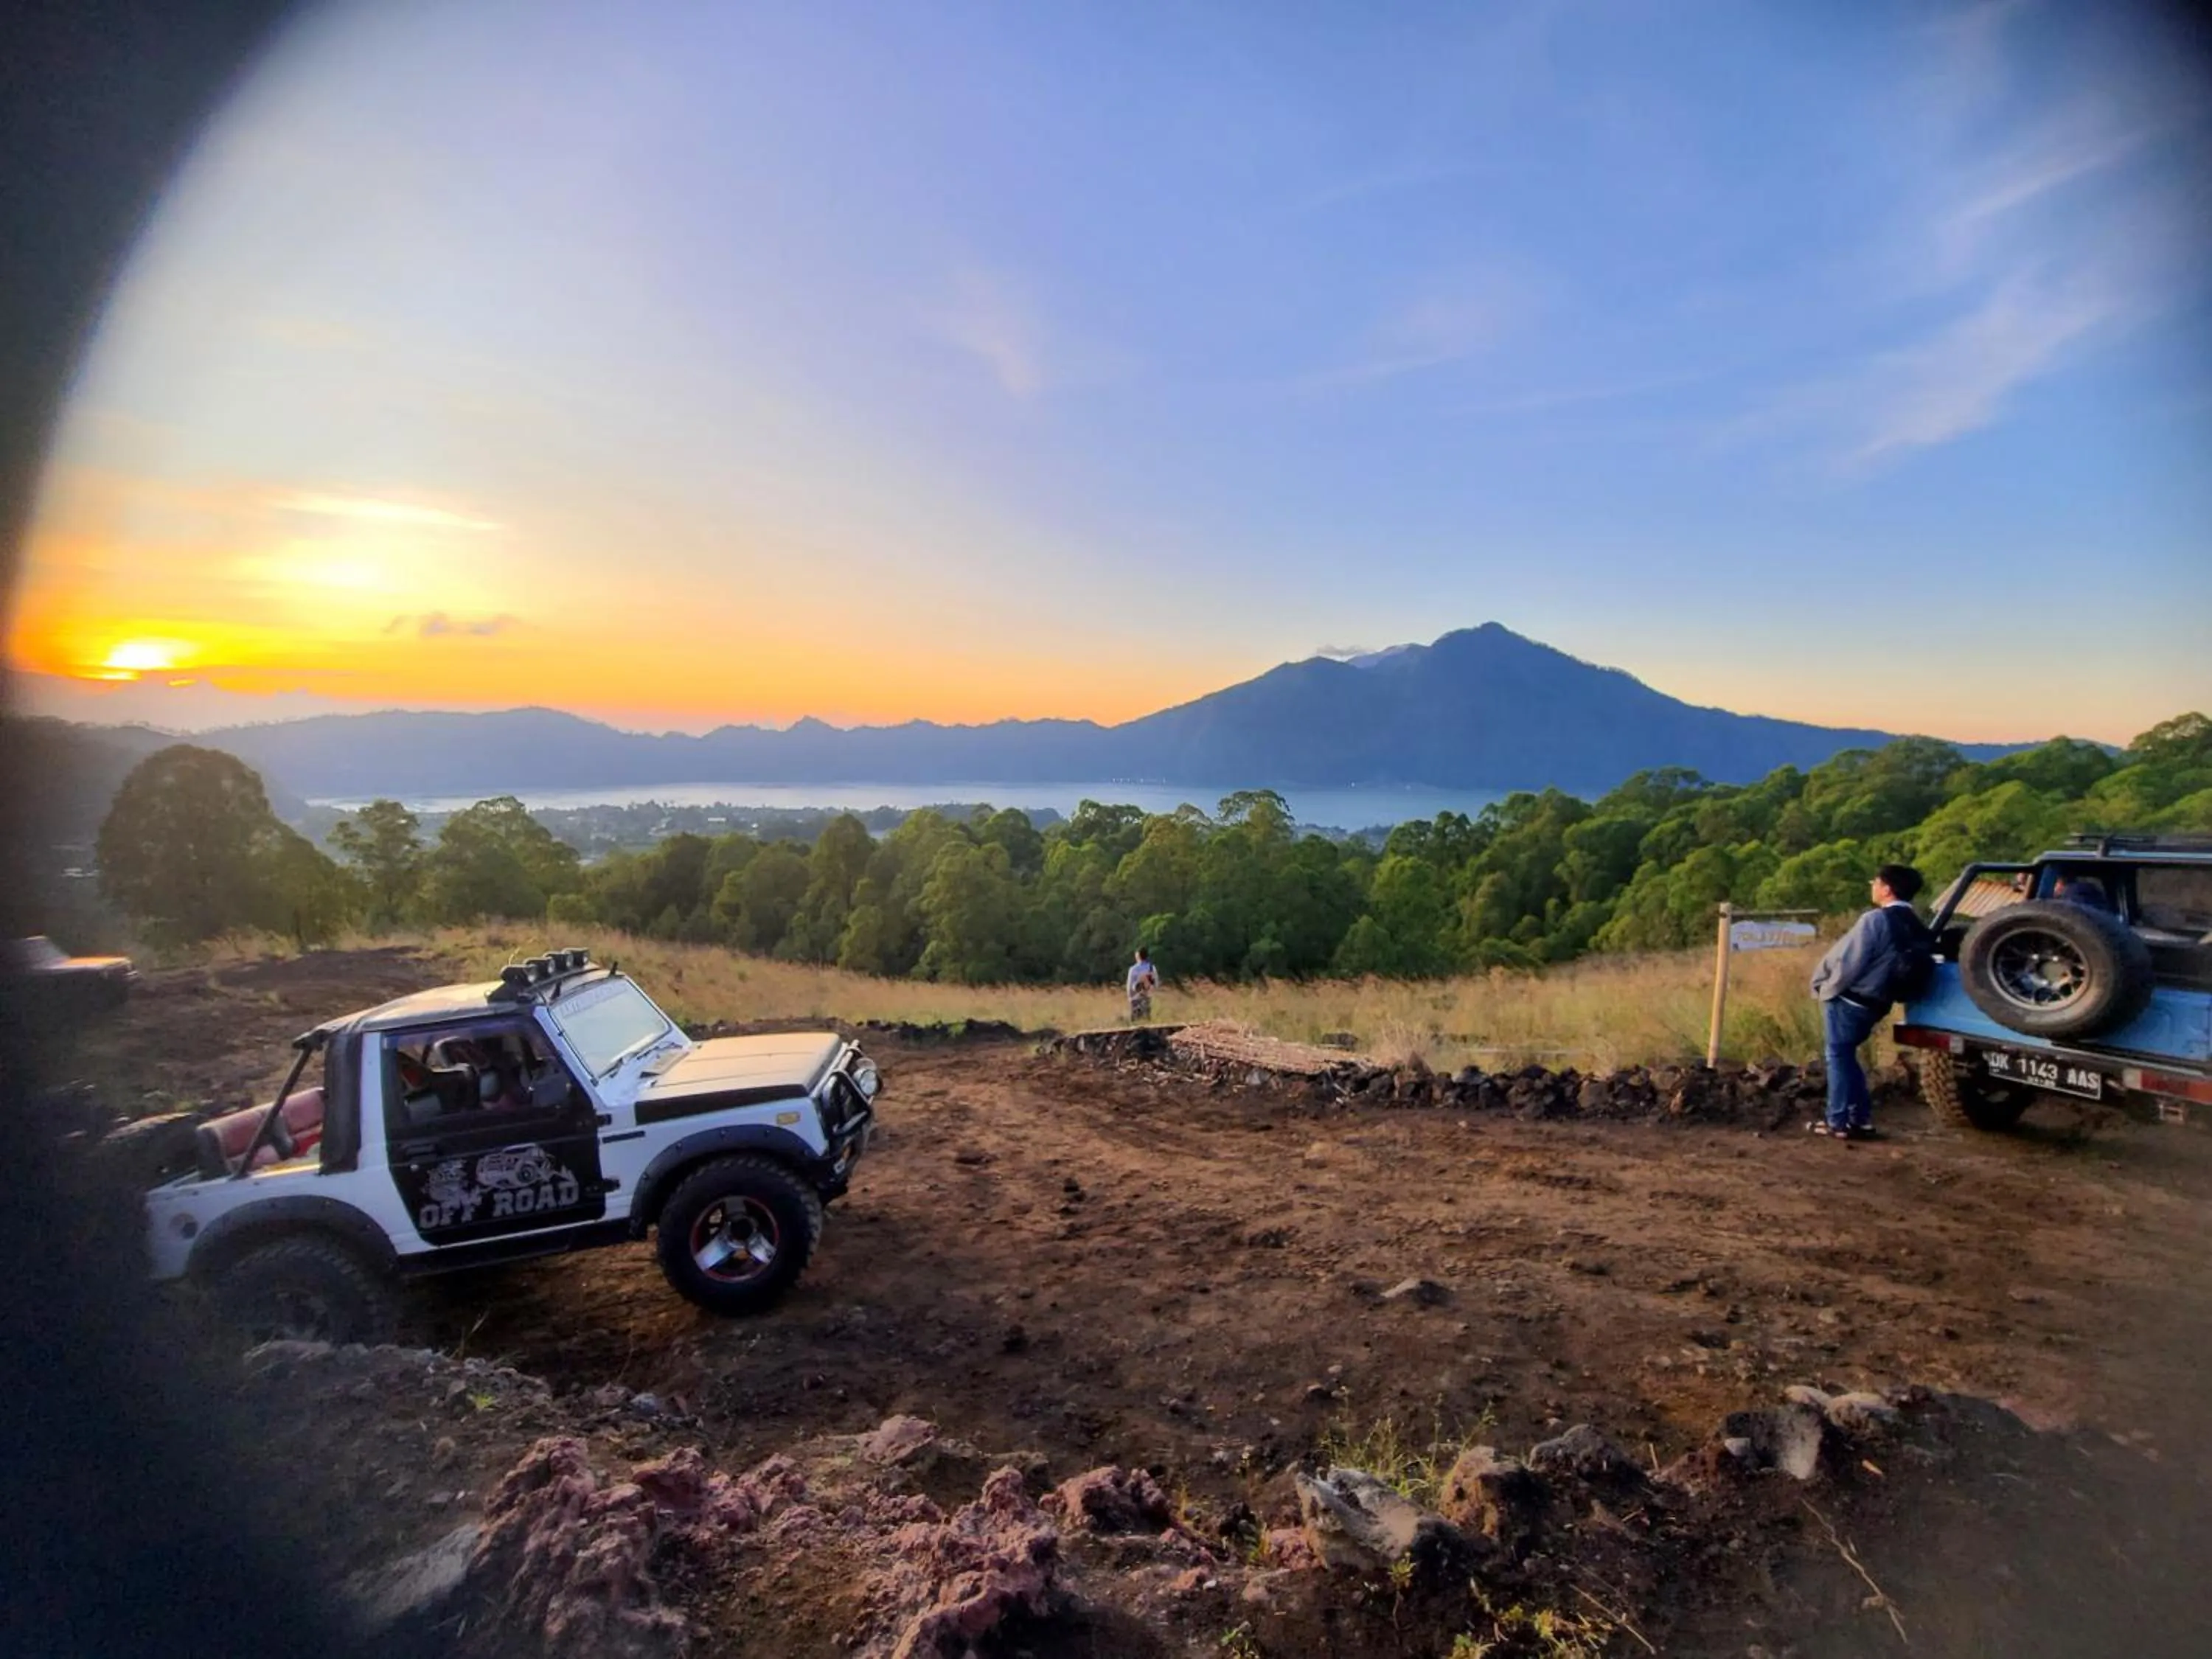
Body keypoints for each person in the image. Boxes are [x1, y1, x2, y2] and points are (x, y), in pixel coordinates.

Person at [1806, 863, 1929, 1143]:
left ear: (1887, 889)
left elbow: (1848, 961)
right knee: (1847, 1057)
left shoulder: (1875, 920)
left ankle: (1837, 1121)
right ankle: (1859, 1120)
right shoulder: (1915, 925)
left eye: (1876, 882)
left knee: (1838, 1057)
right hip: (1879, 1003)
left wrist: (1825, 988)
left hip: (1851, 1001)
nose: (1873, 886)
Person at [1125, 947, 1160, 1023]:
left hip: (1135, 997)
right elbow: (1156, 983)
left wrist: (1130, 997)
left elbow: (1130, 985)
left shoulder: (1133, 969)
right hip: (1148, 996)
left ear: (1138, 956)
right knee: (1146, 1019)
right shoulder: (1152, 968)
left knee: (1135, 1020)